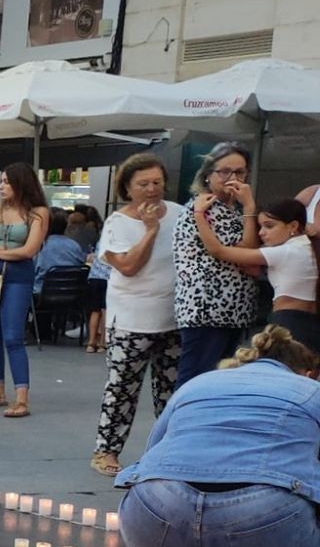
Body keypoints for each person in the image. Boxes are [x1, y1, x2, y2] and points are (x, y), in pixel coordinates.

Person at [116, 326, 320, 547]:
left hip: (159, 511)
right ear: (308, 372)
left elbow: (152, 455)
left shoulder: (196, 385)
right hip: (263, 525)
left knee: (142, 514)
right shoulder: (312, 392)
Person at [89, 155, 182, 478]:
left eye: (157, 182)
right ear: (127, 188)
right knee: (122, 389)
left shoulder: (181, 214)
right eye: (143, 184)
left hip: (173, 316)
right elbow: (128, 266)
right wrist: (151, 230)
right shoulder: (117, 223)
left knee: (171, 391)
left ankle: (169, 451)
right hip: (130, 319)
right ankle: (107, 450)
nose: (152, 189)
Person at [175, 142, 261, 386]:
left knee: (217, 381)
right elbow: (243, 252)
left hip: (234, 310)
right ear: (207, 175)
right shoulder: (204, 207)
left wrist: (247, 210)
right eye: (224, 171)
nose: (232, 178)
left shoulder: (233, 210)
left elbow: (249, 251)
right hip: (207, 308)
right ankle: (182, 424)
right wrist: (251, 208)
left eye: (240, 172)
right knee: (196, 379)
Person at [0, 162, 50, 417]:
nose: (1, 186)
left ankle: (22, 398)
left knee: (13, 335)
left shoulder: (37, 213)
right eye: (1, 181)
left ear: (21, 183)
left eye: (7, 181)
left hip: (17, 275)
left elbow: (29, 250)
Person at [192, 197, 319, 351]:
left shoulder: (285, 252)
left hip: (288, 322)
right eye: (260, 227)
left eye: (269, 226)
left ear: (293, 226)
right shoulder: (308, 247)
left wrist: (198, 214)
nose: (261, 233)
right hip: (310, 322)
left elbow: (218, 251)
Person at [34, 209, 89, 277]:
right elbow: (81, 263)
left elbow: (33, 270)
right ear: (66, 225)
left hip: (43, 286)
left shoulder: (39, 246)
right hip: (72, 285)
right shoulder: (74, 245)